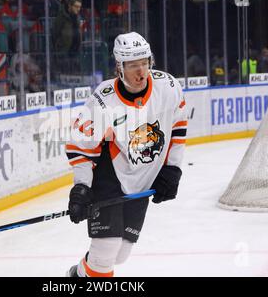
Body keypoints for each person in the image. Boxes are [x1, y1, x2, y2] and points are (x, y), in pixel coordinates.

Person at [65, 32, 187, 277]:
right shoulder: (103, 101)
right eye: (133, 65)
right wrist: (81, 188)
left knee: (120, 254)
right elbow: (81, 146)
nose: (141, 71)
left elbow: (179, 126)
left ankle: (77, 275)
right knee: (105, 252)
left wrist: (173, 169)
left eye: (145, 63)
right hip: (110, 174)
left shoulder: (169, 87)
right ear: (119, 67)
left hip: (143, 178)